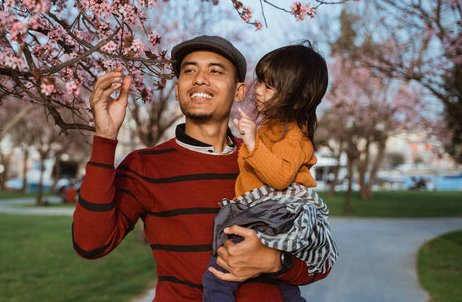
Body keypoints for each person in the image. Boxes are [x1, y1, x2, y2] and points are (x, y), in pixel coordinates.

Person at [72, 36, 330, 301]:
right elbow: (90, 244)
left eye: (215, 71)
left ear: (240, 91)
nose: (200, 78)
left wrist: (277, 262)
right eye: (189, 70)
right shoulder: (144, 166)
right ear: (177, 89)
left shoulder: (265, 158)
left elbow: (321, 260)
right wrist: (105, 138)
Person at [202, 43, 338, 302]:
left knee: (217, 275)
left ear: (297, 100)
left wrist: (252, 141)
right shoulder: (274, 128)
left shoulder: (294, 134)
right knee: (279, 285)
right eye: (261, 82)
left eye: (269, 87)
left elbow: (280, 177)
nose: (259, 92)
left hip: (273, 212)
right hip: (266, 212)